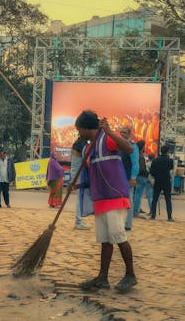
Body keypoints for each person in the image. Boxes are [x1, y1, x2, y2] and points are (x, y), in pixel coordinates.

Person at [75, 110, 137, 294]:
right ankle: (102, 277)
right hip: (100, 198)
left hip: (116, 196)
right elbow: (91, 175)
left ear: (87, 128)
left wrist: (109, 131)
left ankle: (131, 274)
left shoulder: (107, 139)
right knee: (105, 239)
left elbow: (129, 149)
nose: (78, 132)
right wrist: (78, 186)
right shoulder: (87, 149)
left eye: (79, 129)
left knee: (118, 236)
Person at [119, 126, 139, 231]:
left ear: (129, 134)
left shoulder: (132, 146)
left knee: (128, 201)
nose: (122, 134)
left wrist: (133, 177)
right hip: (117, 178)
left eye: (124, 132)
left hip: (127, 178)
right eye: (121, 132)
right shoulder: (117, 144)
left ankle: (128, 224)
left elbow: (135, 163)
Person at [149, 145, 174, 221]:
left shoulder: (155, 160)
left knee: (155, 198)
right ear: (167, 151)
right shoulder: (170, 160)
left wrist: (156, 175)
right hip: (166, 180)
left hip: (158, 180)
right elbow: (171, 168)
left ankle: (153, 215)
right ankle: (169, 217)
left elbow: (152, 171)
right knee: (168, 199)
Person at [70, 136, 90, 230]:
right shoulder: (82, 145)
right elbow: (87, 161)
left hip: (76, 173)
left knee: (80, 198)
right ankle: (78, 221)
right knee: (80, 198)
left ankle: (79, 220)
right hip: (79, 175)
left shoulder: (77, 144)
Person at [133, 141, 151, 217]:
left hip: (138, 177)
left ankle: (135, 211)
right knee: (138, 195)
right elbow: (141, 169)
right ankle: (135, 212)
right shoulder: (141, 157)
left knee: (136, 195)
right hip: (141, 177)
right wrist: (147, 173)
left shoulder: (137, 156)